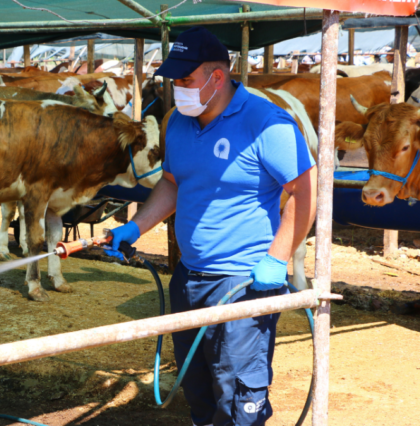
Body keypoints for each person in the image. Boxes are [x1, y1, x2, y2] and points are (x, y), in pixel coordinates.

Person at [106, 27, 317, 426]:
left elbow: (306, 192)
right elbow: (172, 183)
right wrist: (135, 228)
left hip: (241, 284)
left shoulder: (266, 123)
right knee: (198, 384)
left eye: (186, 80)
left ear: (217, 77)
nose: (177, 89)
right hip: (188, 279)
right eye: (174, 81)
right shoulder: (178, 122)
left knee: (238, 392)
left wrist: (277, 258)